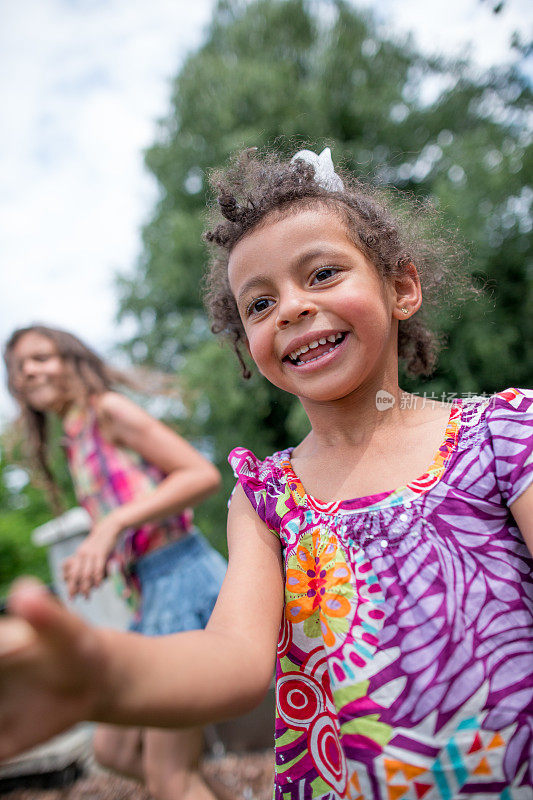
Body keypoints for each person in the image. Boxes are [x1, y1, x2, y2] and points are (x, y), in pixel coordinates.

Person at [1, 148, 532, 799]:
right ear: (246, 347)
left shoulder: (504, 435)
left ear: (400, 288)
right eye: (258, 305)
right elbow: (231, 656)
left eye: (323, 273)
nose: (290, 308)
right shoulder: (265, 497)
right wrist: (103, 679)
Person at [3, 325, 226, 800]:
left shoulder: (109, 410)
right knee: (114, 749)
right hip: (150, 589)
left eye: (41, 357)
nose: (28, 371)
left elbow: (200, 473)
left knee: (170, 775)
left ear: (72, 359)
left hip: (181, 576)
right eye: (19, 367)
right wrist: (110, 550)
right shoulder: (75, 438)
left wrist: (110, 526)